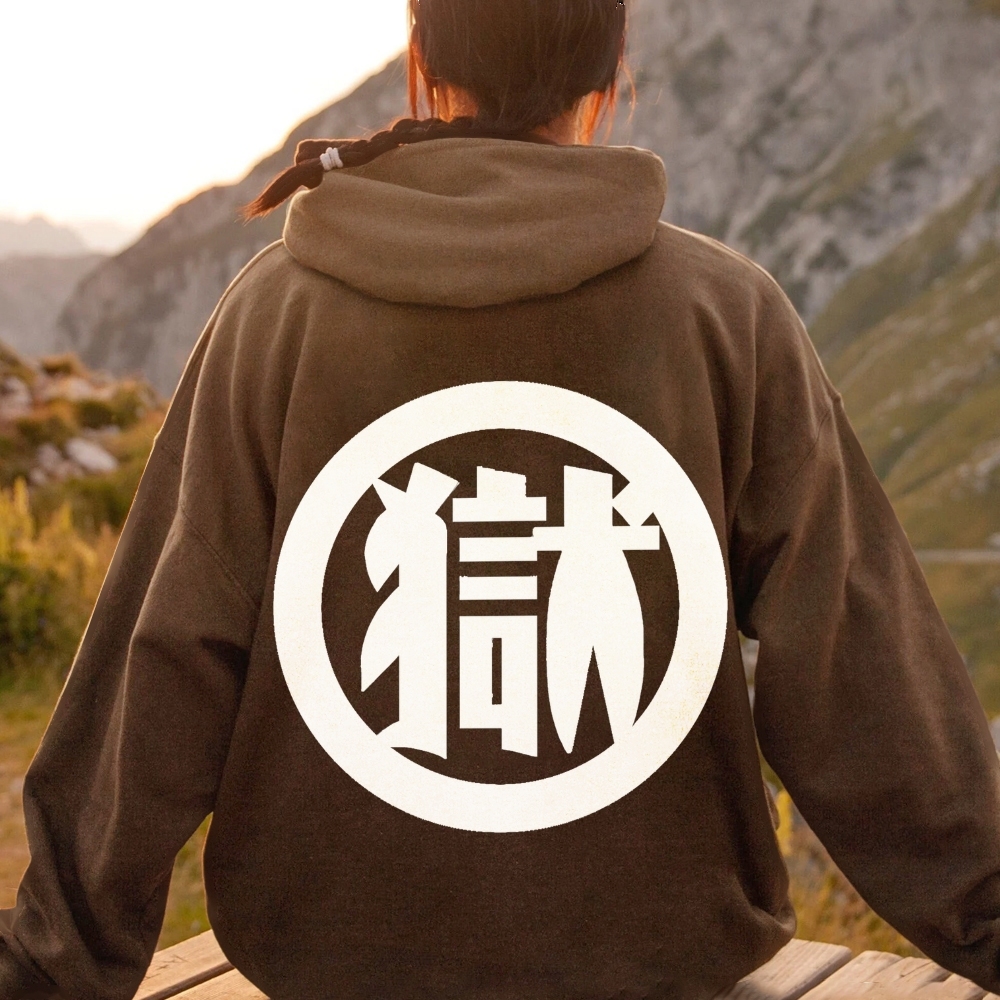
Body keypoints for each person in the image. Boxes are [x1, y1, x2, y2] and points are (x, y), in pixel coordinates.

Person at [3, 1, 1000, 997]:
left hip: (330, 962)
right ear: (609, 80)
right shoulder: (725, 313)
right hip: (661, 960)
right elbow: (855, 660)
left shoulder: (275, 314)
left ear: (422, 66)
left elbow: (165, 654)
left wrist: (51, 967)